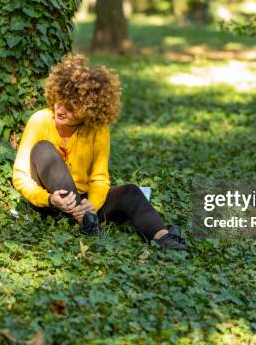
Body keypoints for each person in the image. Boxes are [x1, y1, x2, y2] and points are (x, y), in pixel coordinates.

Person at [12, 54, 187, 250]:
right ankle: (86, 221)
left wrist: (92, 205)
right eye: (58, 102)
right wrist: (49, 199)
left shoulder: (98, 130)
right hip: (52, 204)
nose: (60, 110)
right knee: (44, 150)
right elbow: (20, 176)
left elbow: (100, 178)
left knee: (130, 191)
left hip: (86, 205)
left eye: (71, 108)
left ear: (88, 110)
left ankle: (163, 237)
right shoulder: (40, 120)